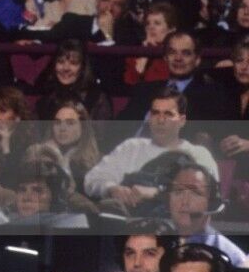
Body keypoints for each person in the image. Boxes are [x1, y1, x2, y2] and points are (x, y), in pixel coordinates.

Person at [84, 89, 219, 211]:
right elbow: (92, 179)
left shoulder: (198, 154)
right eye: (155, 113)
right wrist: (111, 188)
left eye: (168, 114)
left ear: (182, 120)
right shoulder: (131, 147)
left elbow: (210, 194)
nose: (160, 120)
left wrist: (156, 193)